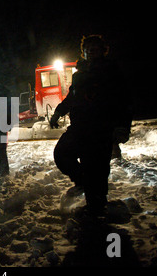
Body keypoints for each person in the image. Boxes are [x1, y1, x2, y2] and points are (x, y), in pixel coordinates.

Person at [49, 35, 133, 216]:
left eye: (94, 47)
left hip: (102, 129)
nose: (90, 50)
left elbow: (124, 101)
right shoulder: (80, 75)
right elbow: (72, 97)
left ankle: (97, 211)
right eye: (87, 48)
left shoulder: (112, 72)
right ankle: (84, 184)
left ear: (103, 50)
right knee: (62, 154)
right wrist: (58, 112)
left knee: (97, 169)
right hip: (79, 128)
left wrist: (123, 126)